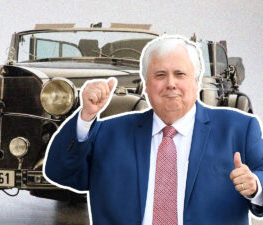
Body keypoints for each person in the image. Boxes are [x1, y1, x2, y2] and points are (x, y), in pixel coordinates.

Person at [43, 35, 263, 225]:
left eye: (180, 74)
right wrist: (86, 116)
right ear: (146, 85)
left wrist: (256, 186)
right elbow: (59, 172)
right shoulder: (108, 134)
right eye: (160, 75)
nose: (170, 84)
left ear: (196, 82)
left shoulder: (239, 129)